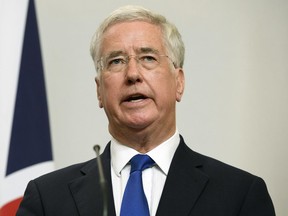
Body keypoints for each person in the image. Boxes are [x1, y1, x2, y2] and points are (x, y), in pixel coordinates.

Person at [17, 5, 275, 216]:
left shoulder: (239, 195)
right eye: (116, 61)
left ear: (179, 82)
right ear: (99, 90)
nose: (132, 74)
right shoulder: (47, 199)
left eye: (148, 58)